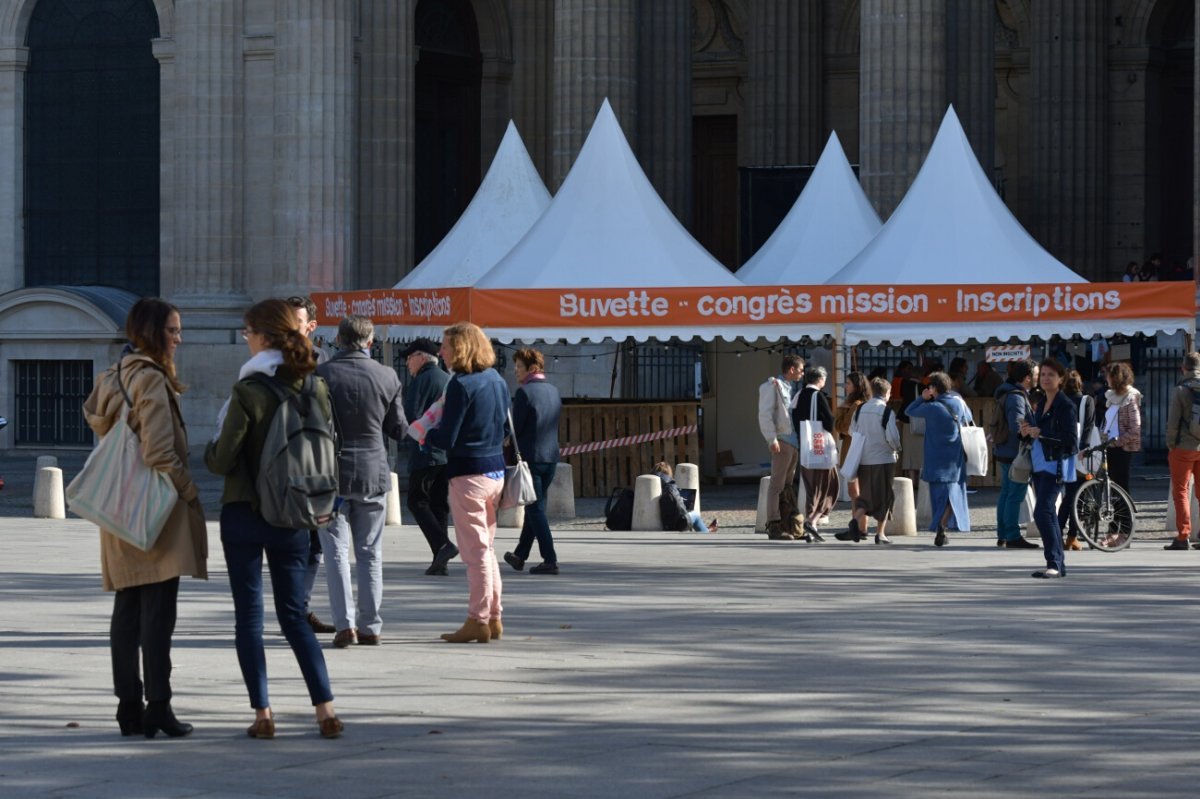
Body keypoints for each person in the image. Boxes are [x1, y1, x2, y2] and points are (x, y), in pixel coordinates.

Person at [205, 298, 342, 739]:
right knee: (294, 617)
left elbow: (223, 458)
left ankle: (263, 714)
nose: (244, 339)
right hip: (296, 512)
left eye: (247, 332)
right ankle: (325, 710)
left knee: (249, 617)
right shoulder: (314, 386)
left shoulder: (248, 390)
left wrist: (209, 449)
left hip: (245, 513)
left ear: (263, 336)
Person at [82, 298, 208, 739]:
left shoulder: (113, 375)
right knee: (158, 615)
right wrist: (189, 492)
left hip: (119, 507)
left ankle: (129, 708)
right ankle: (158, 705)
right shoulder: (151, 380)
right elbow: (158, 451)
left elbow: (96, 418)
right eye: (172, 330)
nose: (179, 338)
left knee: (127, 611)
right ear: (153, 333)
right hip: (156, 509)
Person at [316, 316, 409, 646]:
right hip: (373, 470)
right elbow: (398, 429)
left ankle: (345, 624)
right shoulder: (387, 375)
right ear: (370, 342)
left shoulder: (323, 374)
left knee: (336, 553)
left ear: (339, 340)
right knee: (370, 551)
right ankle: (371, 626)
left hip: (332, 474)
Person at [425, 322, 509, 643]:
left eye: (445, 346)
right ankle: (494, 616)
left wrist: (425, 433)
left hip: (469, 472)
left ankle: (478, 619)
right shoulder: (497, 380)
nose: (441, 351)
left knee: (474, 553)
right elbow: (503, 427)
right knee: (486, 548)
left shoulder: (461, 385)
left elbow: (448, 436)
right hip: (495, 471)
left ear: (460, 348)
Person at [284, 295, 335, 636]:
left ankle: (298, 608)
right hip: (283, 467)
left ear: (311, 327)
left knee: (313, 544)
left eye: (296, 322)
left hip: (315, 467)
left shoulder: (324, 364)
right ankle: (293, 610)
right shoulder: (270, 362)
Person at [503, 348, 565, 574]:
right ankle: (520, 555)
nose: (515, 371)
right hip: (550, 458)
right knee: (534, 506)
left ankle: (550, 559)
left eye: (519, 367)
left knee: (536, 509)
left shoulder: (524, 393)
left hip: (530, 460)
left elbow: (515, 427)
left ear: (532, 368)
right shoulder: (554, 391)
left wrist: (506, 438)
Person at [1019, 359, 1078, 578]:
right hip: (1039, 463)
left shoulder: (1065, 405)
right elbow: (1034, 431)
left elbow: (1071, 439)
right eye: (1042, 374)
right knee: (1049, 513)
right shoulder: (1041, 402)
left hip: (1057, 465)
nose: (1045, 378)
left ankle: (1053, 562)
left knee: (1042, 511)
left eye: (1050, 375)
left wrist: (1041, 434)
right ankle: (1057, 564)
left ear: (1061, 379)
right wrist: (1025, 431)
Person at [401, 337, 456, 575]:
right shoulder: (447, 379)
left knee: (416, 501)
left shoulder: (422, 380)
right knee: (438, 504)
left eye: (409, 359)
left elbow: (410, 414)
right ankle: (440, 558)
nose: (406, 364)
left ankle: (442, 546)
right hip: (445, 452)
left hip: (425, 451)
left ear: (421, 357)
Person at [906, 371, 973, 546]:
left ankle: (939, 525)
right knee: (955, 493)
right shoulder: (958, 403)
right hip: (954, 456)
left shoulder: (932, 407)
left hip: (935, 456)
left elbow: (909, 410)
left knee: (938, 496)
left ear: (934, 388)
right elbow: (969, 419)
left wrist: (922, 398)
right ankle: (943, 524)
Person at [840, 376, 901, 544]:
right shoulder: (887, 411)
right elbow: (893, 437)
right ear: (887, 393)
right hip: (883, 458)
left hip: (864, 459)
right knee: (885, 496)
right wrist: (896, 449)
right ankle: (880, 534)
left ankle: (855, 519)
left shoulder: (860, 409)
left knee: (866, 495)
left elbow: (852, 431)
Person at [993, 359, 1040, 550]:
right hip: (1015, 454)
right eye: (1036, 374)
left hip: (1005, 450)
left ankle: (1003, 534)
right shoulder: (1017, 397)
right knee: (1015, 494)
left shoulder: (1008, 392)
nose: (1038, 378)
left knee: (1006, 493)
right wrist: (1033, 430)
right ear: (1027, 378)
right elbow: (1017, 426)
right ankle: (1012, 535)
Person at [757, 354, 805, 540]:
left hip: (792, 441)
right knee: (776, 485)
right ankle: (774, 525)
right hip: (782, 440)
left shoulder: (788, 387)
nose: (802, 373)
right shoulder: (772, 386)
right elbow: (765, 414)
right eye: (800, 369)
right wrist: (771, 438)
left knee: (787, 485)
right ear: (791, 369)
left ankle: (789, 524)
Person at [792, 365, 839, 542]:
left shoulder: (799, 395)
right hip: (820, 444)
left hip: (805, 444)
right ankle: (813, 520)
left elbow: (794, 417)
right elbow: (828, 420)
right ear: (821, 379)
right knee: (828, 484)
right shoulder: (817, 395)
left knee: (811, 486)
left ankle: (811, 524)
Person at [1164, 352, 1200, 550]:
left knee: (1181, 491)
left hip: (1183, 447)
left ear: (1183, 368)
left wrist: (1171, 444)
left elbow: (1173, 422)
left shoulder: (1180, 390)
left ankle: (1183, 535)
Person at [1058, 369, 1096, 552]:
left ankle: (1057, 532)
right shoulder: (1086, 401)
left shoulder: (1060, 401)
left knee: (1068, 496)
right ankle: (1072, 536)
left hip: (1064, 452)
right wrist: (1084, 449)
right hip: (1081, 454)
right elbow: (1088, 427)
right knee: (1079, 497)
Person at [1101, 361, 1142, 497]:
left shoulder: (1130, 397)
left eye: (1108, 376)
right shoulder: (1112, 396)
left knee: (1121, 484)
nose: (1106, 378)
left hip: (1121, 447)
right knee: (1112, 484)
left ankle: (1124, 517)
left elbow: (1135, 428)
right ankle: (1116, 516)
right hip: (1110, 446)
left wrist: (1117, 442)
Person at [832, 371, 868, 502]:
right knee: (855, 491)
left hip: (853, 449)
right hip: (858, 448)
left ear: (856, 386)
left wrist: (840, 414)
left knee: (854, 491)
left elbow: (844, 428)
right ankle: (856, 519)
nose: (845, 386)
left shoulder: (856, 404)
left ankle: (858, 519)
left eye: (848, 383)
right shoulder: (861, 403)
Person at [652, 462, 717, 532]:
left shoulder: (652, 484)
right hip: (677, 524)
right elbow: (680, 508)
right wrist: (686, 512)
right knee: (695, 515)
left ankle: (708, 529)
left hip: (666, 523)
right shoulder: (671, 486)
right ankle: (707, 532)